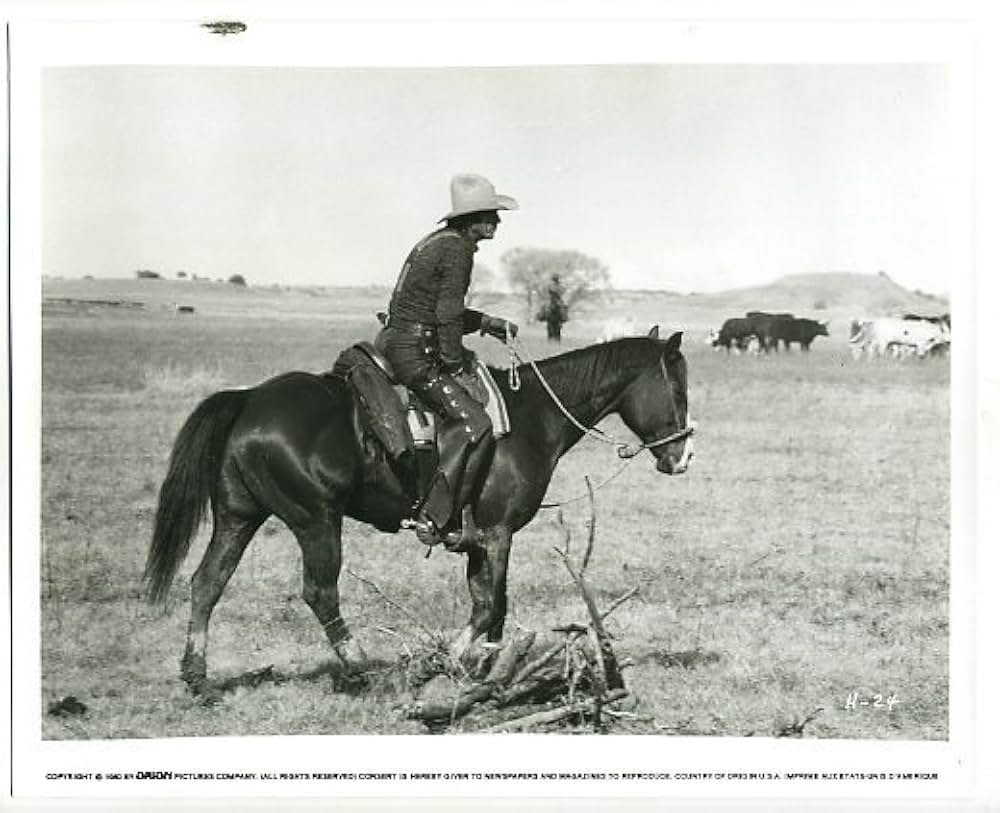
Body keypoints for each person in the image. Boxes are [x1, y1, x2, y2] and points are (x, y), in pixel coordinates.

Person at [375, 174, 519, 548]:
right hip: (415, 354)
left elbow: (433, 308)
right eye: (489, 215)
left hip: (399, 342)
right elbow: (448, 314)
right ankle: (436, 517)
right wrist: (455, 365)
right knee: (477, 423)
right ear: (471, 220)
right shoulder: (457, 250)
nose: (496, 221)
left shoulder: (438, 242)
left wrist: (486, 323)